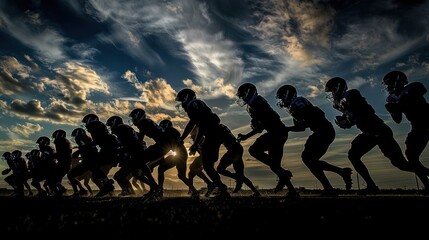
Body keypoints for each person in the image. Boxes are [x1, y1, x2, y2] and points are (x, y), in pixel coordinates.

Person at [325, 77, 429, 194]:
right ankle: (371, 186)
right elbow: (355, 116)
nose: (332, 95)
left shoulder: (351, 94)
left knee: (401, 164)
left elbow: (362, 113)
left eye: (332, 91)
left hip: (379, 130)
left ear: (337, 88)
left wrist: (348, 120)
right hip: (369, 132)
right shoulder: (341, 102)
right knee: (353, 155)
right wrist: (346, 120)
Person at [276, 84, 353, 196]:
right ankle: (339, 174)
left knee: (309, 159)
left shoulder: (298, 103)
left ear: (288, 95)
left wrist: (286, 129)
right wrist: (287, 129)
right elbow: (301, 128)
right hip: (321, 131)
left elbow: (306, 123)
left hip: (323, 131)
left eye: (282, 97)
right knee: (310, 160)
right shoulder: (294, 105)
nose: (282, 100)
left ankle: (331, 185)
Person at [235, 83, 299, 198]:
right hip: (276, 132)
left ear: (249, 93)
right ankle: (291, 188)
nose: (242, 98)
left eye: (243, 95)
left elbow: (261, 126)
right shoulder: (255, 103)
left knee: (254, 151)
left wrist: (246, 136)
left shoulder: (257, 102)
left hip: (276, 133)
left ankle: (285, 176)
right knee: (274, 165)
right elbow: (262, 123)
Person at [175, 88, 231, 199]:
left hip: (213, 134)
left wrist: (187, 140)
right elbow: (198, 125)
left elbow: (197, 124)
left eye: (182, 100)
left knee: (207, 166)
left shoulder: (193, 105)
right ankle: (221, 188)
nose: (181, 104)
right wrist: (191, 141)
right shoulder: (197, 105)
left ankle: (223, 189)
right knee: (208, 165)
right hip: (214, 133)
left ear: (186, 98)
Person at [382, 70, 429, 193]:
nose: (387, 87)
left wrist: (401, 105)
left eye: (389, 83)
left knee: (412, 156)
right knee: (411, 157)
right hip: (417, 126)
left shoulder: (412, 88)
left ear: (397, 82)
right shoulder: (391, 98)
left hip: (426, 121)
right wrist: (392, 111)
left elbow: (420, 94)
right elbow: (397, 120)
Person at [151, 119, 199, 198]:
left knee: (162, 169)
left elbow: (167, 146)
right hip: (180, 154)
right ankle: (194, 190)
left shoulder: (170, 132)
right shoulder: (172, 132)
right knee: (181, 176)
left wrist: (154, 162)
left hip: (179, 155)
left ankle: (160, 190)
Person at [81, 113, 118, 197]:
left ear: (89, 120)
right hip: (108, 149)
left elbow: (99, 139)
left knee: (91, 164)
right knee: (94, 172)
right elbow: (101, 138)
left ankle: (107, 184)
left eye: (86, 122)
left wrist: (89, 145)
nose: (86, 124)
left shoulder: (94, 125)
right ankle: (107, 186)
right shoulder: (99, 125)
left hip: (108, 149)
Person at [51, 129, 72, 196]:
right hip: (66, 162)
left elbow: (61, 153)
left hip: (63, 163)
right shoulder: (66, 141)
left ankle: (61, 189)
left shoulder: (59, 141)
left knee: (53, 179)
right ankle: (60, 192)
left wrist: (53, 155)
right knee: (57, 178)